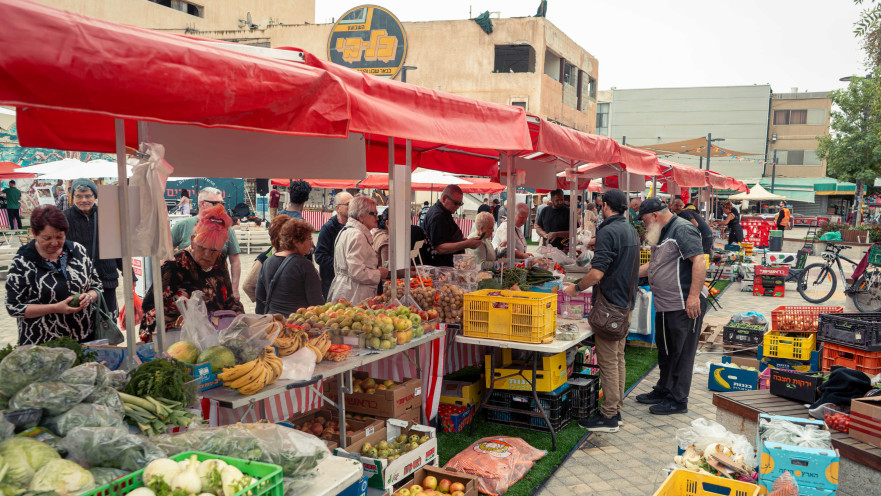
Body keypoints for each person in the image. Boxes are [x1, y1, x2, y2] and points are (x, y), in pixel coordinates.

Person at [563, 189, 638, 432]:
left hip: (609, 306)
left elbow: (596, 273)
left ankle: (609, 417)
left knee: (608, 361)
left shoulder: (608, 230)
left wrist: (576, 288)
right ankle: (616, 409)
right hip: (625, 304)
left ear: (605, 205)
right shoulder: (630, 229)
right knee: (617, 358)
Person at [635, 198, 708, 415]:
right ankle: (664, 389)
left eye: (645, 220)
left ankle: (678, 400)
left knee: (681, 352)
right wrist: (629, 273)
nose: (645, 225)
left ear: (655, 216)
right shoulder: (663, 231)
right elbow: (655, 264)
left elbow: (700, 261)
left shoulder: (682, 229)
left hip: (684, 304)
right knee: (666, 351)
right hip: (666, 305)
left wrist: (693, 296)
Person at [140, 204, 244, 341]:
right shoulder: (175, 264)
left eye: (214, 250)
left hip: (213, 337)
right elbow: (148, 307)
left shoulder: (219, 261)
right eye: (202, 247)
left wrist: (241, 320)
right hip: (177, 338)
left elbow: (229, 299)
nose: (207, 254)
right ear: (192, 241)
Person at [6, 205, 101, 345]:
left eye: (59, 236)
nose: (54, 243)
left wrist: (89, 297)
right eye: (47, 238)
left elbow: (97, 285)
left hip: (84, 337)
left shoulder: (77, 251)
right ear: (34, 233)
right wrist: (55, 308)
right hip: (42, 344)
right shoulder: (22, 262)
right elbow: (13, 307)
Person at [63, 178, 123, 318]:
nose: (84, 200)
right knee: (81, 322)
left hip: (106, 278)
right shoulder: (64, 218)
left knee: (107, 322)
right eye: (78, 196)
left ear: (95, 196)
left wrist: (128, 272)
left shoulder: (108, 215)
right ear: (73, 197)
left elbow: (118, 246)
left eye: (88, 195)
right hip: (78, 282)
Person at [171, 187, 243, 299]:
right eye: (216, 203)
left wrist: (234, 289)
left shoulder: (227, 229)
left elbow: (235, 261)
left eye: (222, 204)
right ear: (202, 204)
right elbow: (165, 254)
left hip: (217, 293)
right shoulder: (182, 225)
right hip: (187, 294)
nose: (220, 207)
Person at [328, 196, 390, 304]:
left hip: (345, 290)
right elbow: (357, 272)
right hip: (354, 294)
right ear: (361, 216)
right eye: (374, 214)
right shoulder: (357, 235)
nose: (377, 218)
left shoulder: (347, 231)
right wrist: (379, 274)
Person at [256, 217, 324, 314]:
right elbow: (316, 303)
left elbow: (260, 295)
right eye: (309, 239)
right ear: (296, 242)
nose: (312, 243)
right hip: (296, 323)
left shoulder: (268, 262)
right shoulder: (304, 266)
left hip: (273, 322)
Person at [424, 185, 482, 267]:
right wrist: (466, 244)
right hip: (441, 268)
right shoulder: (438, 216)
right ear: (444, 199)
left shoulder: (443, 212)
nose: (458, 207)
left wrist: (462, 241)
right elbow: (440, 248)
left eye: (460, 204)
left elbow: (446, 238)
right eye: (455, 203)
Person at [315, 192, 353, 300]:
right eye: (348, 204)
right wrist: (342, 264)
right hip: (332, 282)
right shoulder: (328, 228)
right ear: (337, 208)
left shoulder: (355, 227)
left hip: (350, 282)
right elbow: (319, 256)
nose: (352, 207)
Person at [242, 214, 288, 303]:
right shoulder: (265, 258)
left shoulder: (303, 256)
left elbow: (247, 285)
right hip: (269, 312)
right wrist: (264, 302)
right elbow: (247, 285)